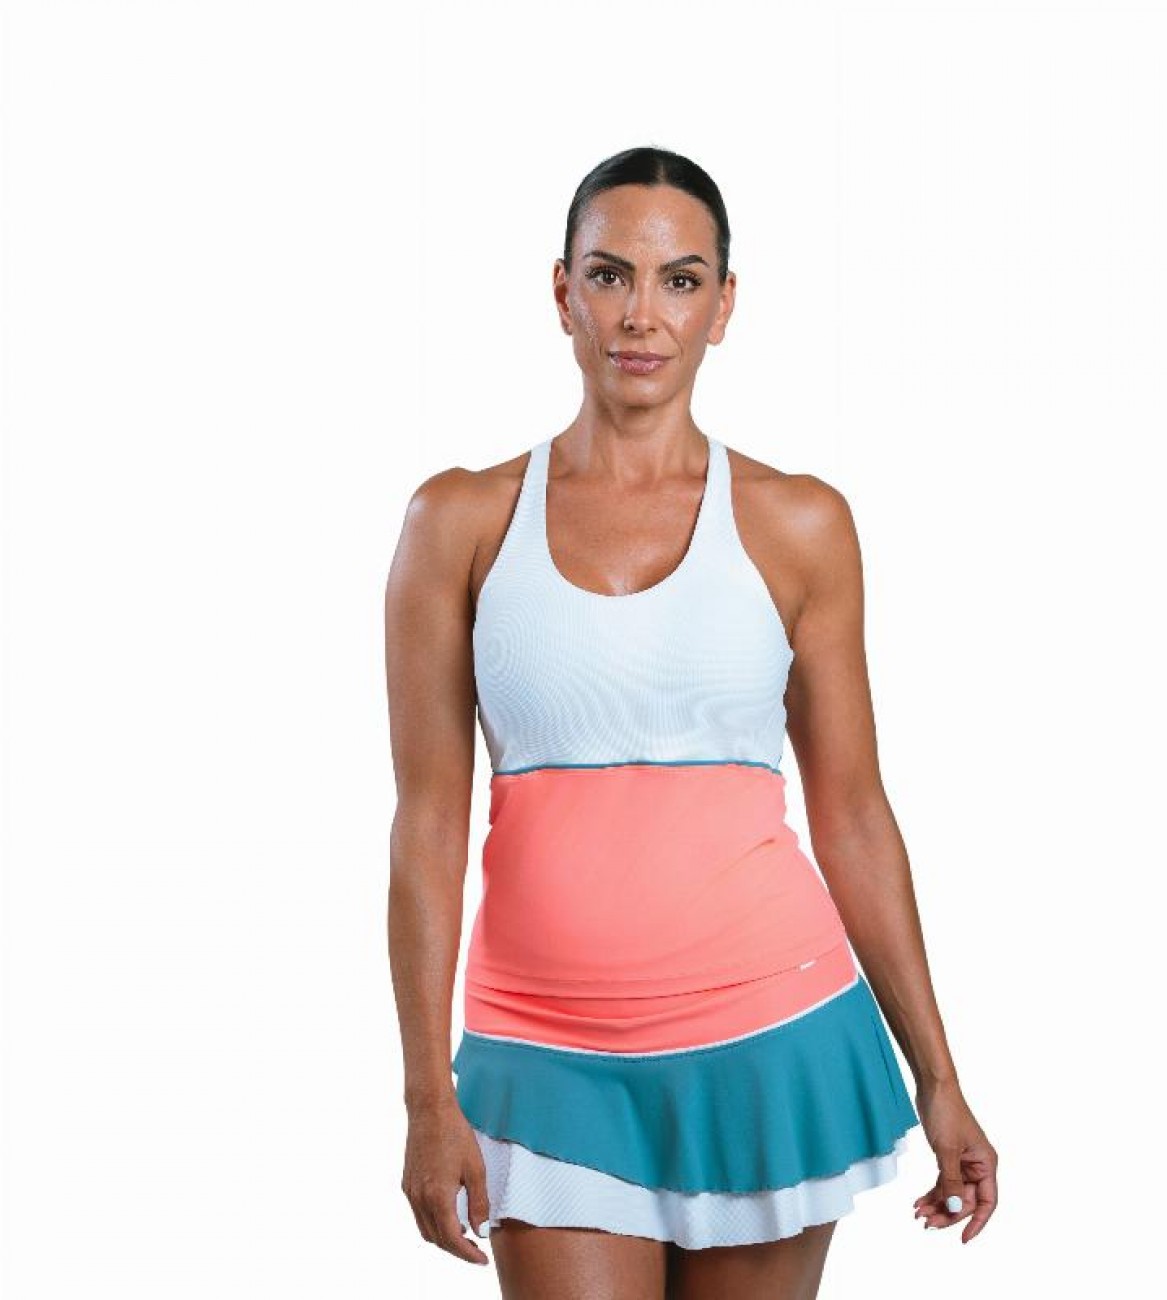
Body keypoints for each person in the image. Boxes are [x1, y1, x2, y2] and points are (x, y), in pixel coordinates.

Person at [385, 145, 999, 1299]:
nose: (641, 314)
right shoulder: (459, 521)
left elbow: (853, 813)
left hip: (772, 1036)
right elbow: (425, 821)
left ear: (723, 305)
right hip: (543, 1056)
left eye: (679, 281)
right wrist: (426, 1095)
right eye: (609, 274)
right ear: (562, 291)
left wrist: (940, 1076)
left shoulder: (797, 523)